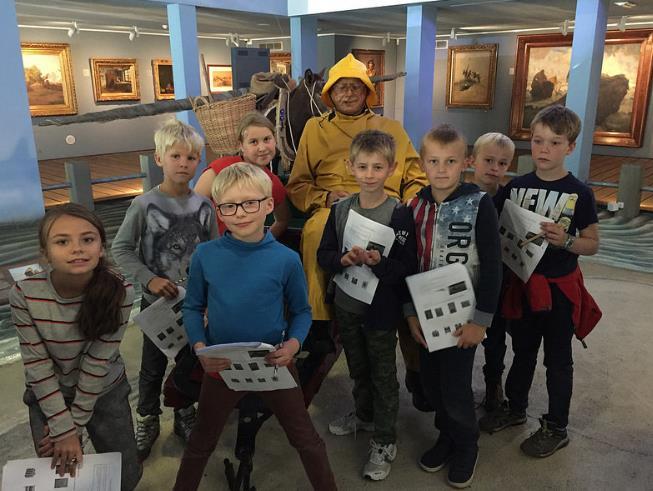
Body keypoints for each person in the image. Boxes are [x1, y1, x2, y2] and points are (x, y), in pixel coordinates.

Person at [173, 163, 337, 491]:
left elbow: (302, 312)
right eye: (229, 206)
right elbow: (192, 307)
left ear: (267, 205)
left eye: (250, 203)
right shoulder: (206, 255)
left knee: (305, 438)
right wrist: (200, 348)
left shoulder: (285, 259)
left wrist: (293, 345)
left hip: (273, 363)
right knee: (201, 442)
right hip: (221, 366)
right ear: (219, 210)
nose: (240, 213)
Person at [286, 53, 429, 410]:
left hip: (385, 202)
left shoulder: (391, 128)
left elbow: (415, 178)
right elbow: (299, 183)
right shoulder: (314, 130)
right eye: (340, 88)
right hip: (335, 206)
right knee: (319, 228)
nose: (348, 94)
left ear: (367, 92)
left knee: (403, 244)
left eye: (355, 87)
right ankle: (320, 322)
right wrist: (323, 196)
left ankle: (415, 359)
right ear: (329, 94)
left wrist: (409, 211)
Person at [479, 105, 600, 458]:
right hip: (521, 284)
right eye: (537, 141)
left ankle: (556, 426)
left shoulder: (581, 193)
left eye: (554, 142)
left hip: (559, 288)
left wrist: (567, 241)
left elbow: (593, 243)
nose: (543, 149)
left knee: (558, 359)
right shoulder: (515, 186)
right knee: (524, 351)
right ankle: (516, 409)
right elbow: (491, 224)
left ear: (570, 147)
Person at [10, 203, 141, 490]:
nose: (77, 248)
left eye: (87, 239)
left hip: (105, 389)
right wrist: (61, 425)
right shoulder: (24, 294)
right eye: (62, 241)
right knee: (58, 471)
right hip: (48, 394)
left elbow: (98, 361)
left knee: (126, 472)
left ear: (102, 248)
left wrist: (73, 425)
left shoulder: (120, 291)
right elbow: (37, 365)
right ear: (44, 254)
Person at [111, 119, 218, 461]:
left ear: (198, 161)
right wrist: (149, 278)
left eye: (191, 158)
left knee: (188, 361)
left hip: (194, 302)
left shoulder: (204, 206)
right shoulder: (143, 206)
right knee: (152, 364)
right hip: (155, 303)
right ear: (159, 158)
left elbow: (215, 249)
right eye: (176, 156)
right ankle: (148, 417)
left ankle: (184, 411)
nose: (183, 164)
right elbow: (121, 249)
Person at [405, 124, 502, 488]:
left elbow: (493, 266)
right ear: (422, 163)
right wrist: (409, 312)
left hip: (464, 316)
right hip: (425, 315)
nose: (442, 169)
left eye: (450, 161)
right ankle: (446, 436)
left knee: (456, 386)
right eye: (433, 161)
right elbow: (406, 261)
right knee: (431, 384)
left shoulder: (480, 205)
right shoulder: (415, 205)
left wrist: (481, 321)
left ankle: (466, 445)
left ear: (466, 162)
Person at [317, 130, 416, 481]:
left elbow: (407, 266)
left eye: (378, 167)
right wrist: (342, 260)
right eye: (362, 166)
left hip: (380, 310)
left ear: (391, 168)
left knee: (383, 373)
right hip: (346, 303)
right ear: (350, 167)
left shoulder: (400, 214)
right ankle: (364, 414)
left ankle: (385, 439)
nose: (369, 174)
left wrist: (379, 261)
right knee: (357, 367)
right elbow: (324, 253)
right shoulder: (341, 210)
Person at [469, 132, 515, 412]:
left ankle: (493, 385)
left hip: (496, 279)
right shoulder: (459, 194)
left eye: (502, 163)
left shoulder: (509, 199)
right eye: (488, 160)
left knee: (495, 336)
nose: (493, 168)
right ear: (472, 160)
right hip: (464, 276)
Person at [194, 111, 290, 238]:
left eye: (267, 139)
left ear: (275, 139)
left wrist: (261, 244)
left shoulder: (274, 184)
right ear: (241, 145)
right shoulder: (219, 169)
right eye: (253, 142)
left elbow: (283, 220)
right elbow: (191, 210)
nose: (262, 148)